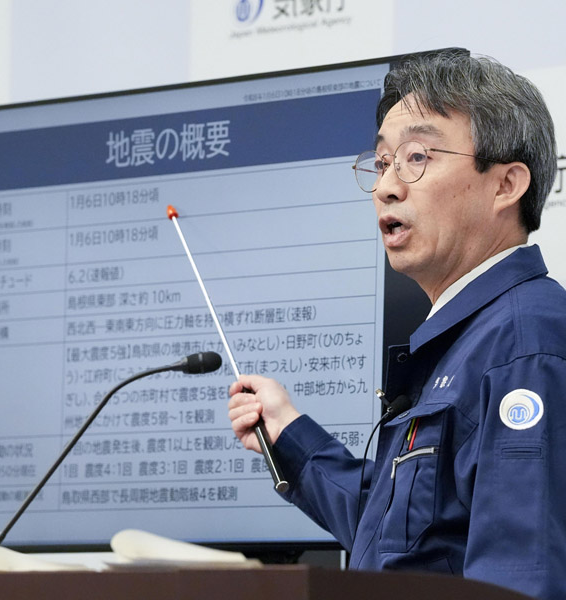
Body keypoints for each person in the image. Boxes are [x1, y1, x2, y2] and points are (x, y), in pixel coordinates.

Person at [228, 51, 566, 600]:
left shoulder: (526, 342)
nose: (386, 186)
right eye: (383, 162)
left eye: (416, 157)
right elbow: (400, 540)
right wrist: (288, 432)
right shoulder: (468, 336)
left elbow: (521, 577)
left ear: (506, 185)